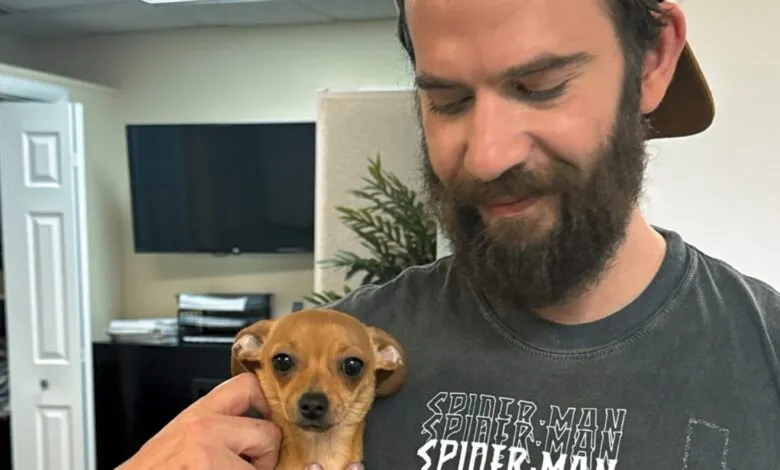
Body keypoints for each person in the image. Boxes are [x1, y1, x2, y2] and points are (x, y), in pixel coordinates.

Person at [119, 0, 780, 468]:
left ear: (653, 59)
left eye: (540, 86)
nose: (486, 155)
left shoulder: (764, 354)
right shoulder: (331, 353)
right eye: (448, 102)